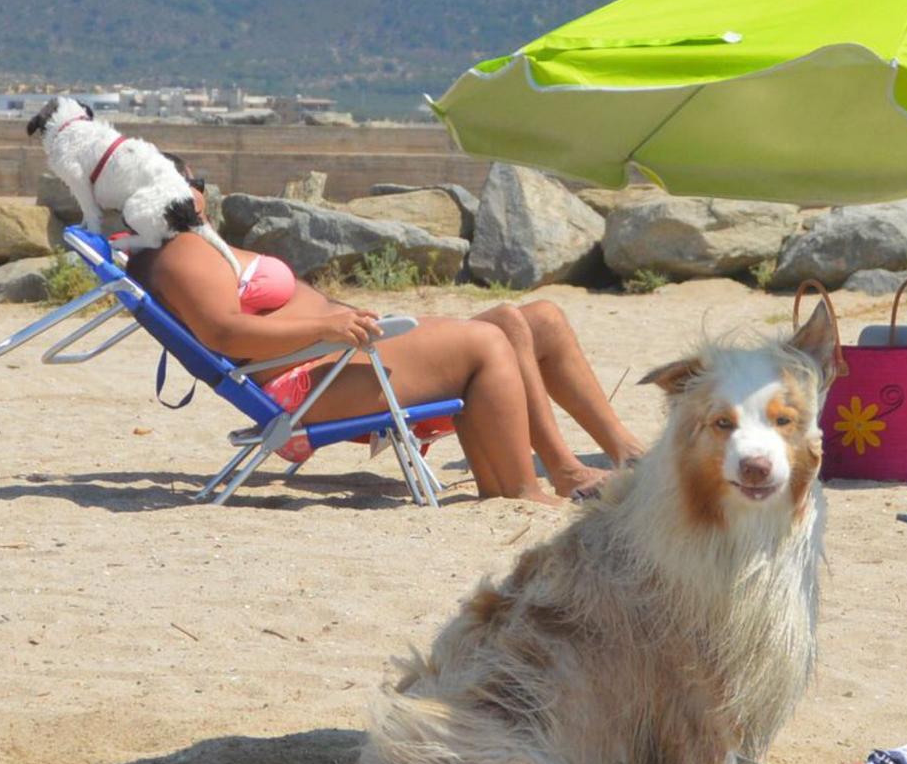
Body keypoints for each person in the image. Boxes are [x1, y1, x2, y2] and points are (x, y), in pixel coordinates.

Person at [125, 159, 642, 506]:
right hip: (310, 382)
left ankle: (620, 455)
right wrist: (326, 324)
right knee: (488, 341)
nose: (200, 192)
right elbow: (225, 334)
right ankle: (524, 487)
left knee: (535, 320)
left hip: (337, 357)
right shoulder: (181, 254)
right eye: (190, 182)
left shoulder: (189, 247)